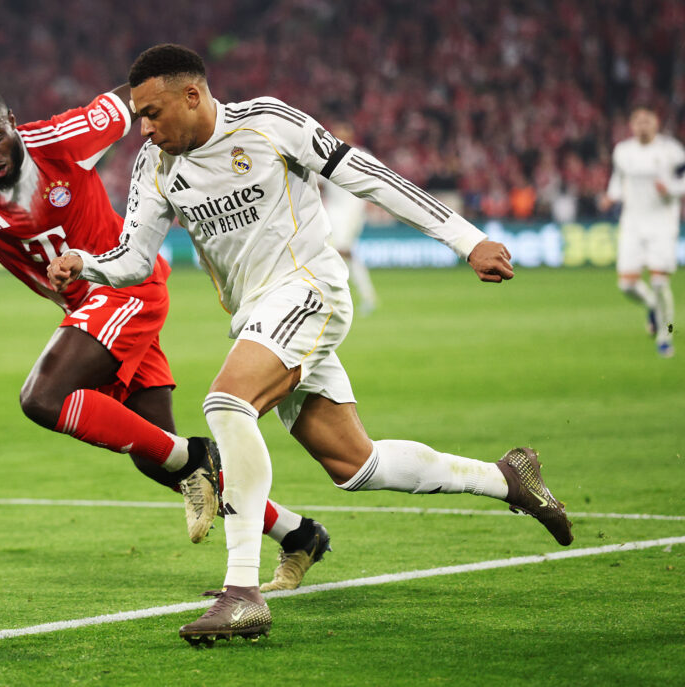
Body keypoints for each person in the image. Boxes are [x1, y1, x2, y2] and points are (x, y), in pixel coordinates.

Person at [48, 44, 574, 645]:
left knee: (227, 404)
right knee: (355, 465)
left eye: (152, 112)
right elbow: (135, 259)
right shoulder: (155, 164)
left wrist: (465, 238)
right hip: (257, 316)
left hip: (308, 290)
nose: (144, 128)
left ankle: (241, 594)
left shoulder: (268, 123)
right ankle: (507, 478)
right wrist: (86, 263)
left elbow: (369, 176)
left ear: (192, 96)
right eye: (139, 116)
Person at [0, 84, 328, 588]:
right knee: (155, 456)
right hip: (90, 313)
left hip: (126, 289)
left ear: (11, 120)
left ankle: (194, 456)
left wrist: (185, 102)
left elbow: (133, 95)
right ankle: (298, 533)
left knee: (42, 398)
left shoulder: (64, 139)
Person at [599, 106, 685, 358]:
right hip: (632, 224)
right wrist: (611, 196)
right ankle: (653, 307)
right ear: (631, 125)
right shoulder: (623, 151)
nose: (642, 125)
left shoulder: (670, 150)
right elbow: (618, 179)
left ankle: (666, 335)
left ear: (656, 123)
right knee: (626, 285)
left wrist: (671, 188)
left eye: (647, 120)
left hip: (662, 224)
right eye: (637, 121)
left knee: (659, 281)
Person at [320, 123, 376, 315]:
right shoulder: (326, 155)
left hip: (352, 209)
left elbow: (375, 178)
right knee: (338, 252)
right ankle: (364, 295)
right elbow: (318, 183)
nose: (339, 138)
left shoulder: (361, 154)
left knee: (341, 251)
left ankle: (340, 296)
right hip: (332, 210)